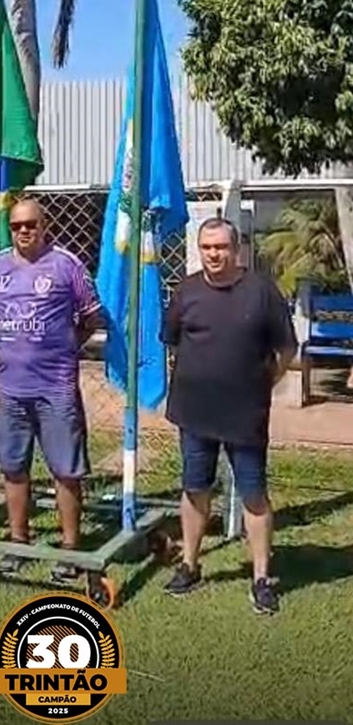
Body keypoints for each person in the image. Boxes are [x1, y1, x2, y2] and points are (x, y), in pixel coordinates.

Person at [161, 216, 298, 615]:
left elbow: (286, 349)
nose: (213, 254)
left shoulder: (261, 292)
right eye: (206, 247)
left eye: (221, 247)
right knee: (195, 488)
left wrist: (263, 382)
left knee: (254, 494)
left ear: (236, 249)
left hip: (245, 414)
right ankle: (190, 565)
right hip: (194, 411)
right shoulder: (186, 290)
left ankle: (261, 578)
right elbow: (172, 340)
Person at [0, 197, 104, 585]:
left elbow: (91, 317)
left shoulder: (67, 265)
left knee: (65, 470)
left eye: (31, 224)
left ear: (45, 226)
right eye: (16, 226)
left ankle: (70, 549)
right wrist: (10, 343)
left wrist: (63, 347)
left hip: (56, 389)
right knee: (13, 467)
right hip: (11, 389)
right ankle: (18, 542)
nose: (24, 231)